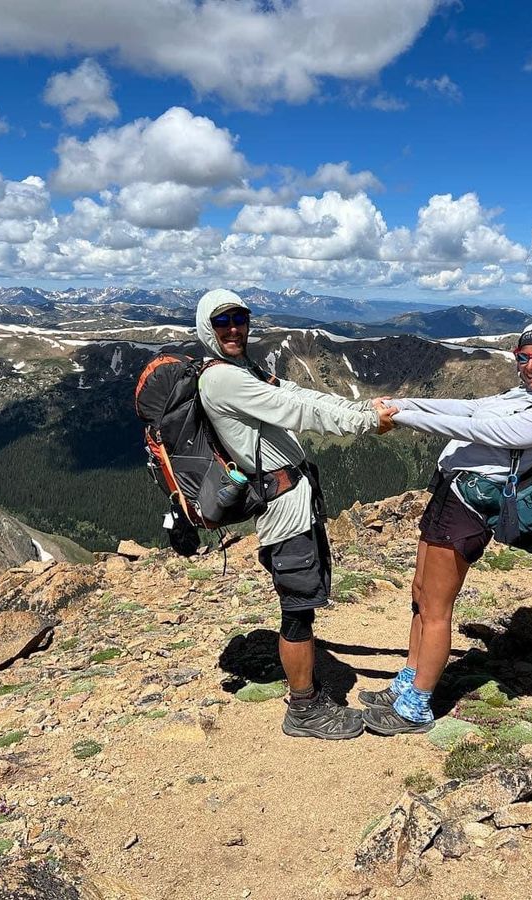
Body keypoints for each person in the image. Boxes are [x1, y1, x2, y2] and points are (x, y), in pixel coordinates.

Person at [358, 321, 532, 735]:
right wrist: (405, 400)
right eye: (523, 356)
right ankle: (408, 681)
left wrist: (403, 416)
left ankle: (418, 705)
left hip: (468, 511)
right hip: (449, 496)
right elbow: (469, 408)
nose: (529, 365)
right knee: (420, 595)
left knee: (438, 609)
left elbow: (476, 429)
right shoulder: (521, 397)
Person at [195, 288, 397, 740]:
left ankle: (307, 696)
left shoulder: (242, 370)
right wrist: (366, 422)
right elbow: (296, 409)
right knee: (297, 608)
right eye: (222, 321)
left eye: (239, 318)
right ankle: (303, 710)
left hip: (295, 503)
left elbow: (299, 393)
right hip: (282, 512)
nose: (233, 328)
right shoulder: (223, 380)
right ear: (207, 328)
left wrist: (363, 408)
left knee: (302, 600)